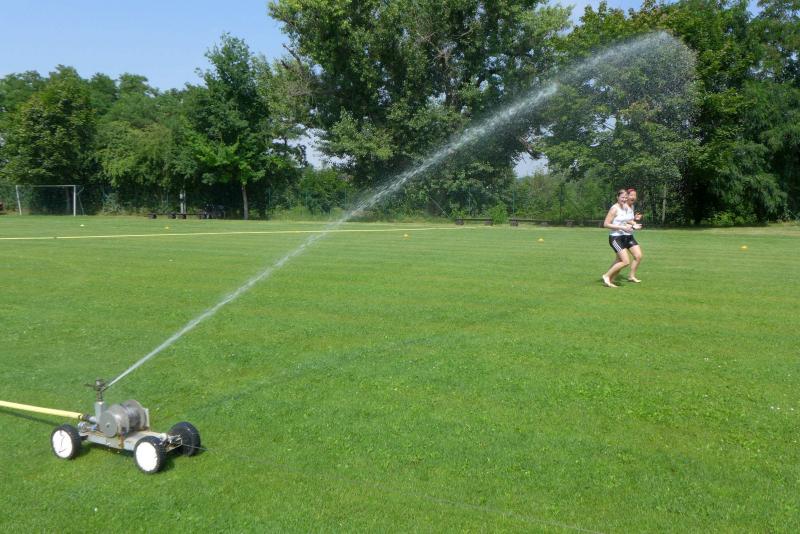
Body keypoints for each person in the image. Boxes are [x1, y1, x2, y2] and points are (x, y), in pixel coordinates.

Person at [601, 189, 640, 288]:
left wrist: (634, 224)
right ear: (617, 197)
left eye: (626, 197)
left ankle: (609, 280)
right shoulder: (614, 209)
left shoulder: (624, 207)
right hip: (615, 238)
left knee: (620, 261)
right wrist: (622, 228)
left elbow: (626, 221)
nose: (624, 199)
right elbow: (606, 224)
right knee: (625, 261)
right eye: (622, 197)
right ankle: (606, 276)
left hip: (623, 237)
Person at [625, 188, 644, 283]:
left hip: (629, 235)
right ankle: (608, 276)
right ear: (626, 196)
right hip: (620, 236)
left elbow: (629, 220)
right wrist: (634, 224)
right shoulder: (623, 207)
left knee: (638, 256)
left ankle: (631, 276)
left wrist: (635, 218)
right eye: (631, 195)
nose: (633, 197)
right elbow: (622, 220)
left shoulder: (631, 206)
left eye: (635, 195)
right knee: (621, 261)